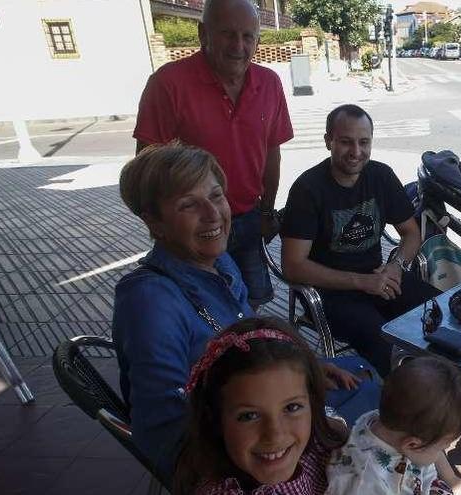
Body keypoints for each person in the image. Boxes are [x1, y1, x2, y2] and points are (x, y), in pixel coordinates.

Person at [113, 143, 379, 483]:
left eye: (216, 196)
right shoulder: (150, 300)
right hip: (243, 449)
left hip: (268, 400)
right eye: (188, 204)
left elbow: (251, 341)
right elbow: (164, 430)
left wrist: (304, 368)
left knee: (365, 375)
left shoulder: (219, 263)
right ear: (155, 221)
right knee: (380, 422)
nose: (213, 215)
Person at [133, 0, 293, 309]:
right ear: (202, 34)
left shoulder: (269, 83)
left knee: (249, 305)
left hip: (247, 220)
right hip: (192, 225)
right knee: (199, 310)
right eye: (227, 34)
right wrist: (163, 228)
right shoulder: (168, 84)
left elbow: (271, 154)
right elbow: (146, 170)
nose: (239, 46)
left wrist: (266, 211)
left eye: (248, 36)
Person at [280, 104, 440, 376]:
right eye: (345, 142)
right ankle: (411, 403)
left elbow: (411, 233)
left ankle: (458, 386)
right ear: (328, 141)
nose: (356, 152)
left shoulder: (380, 176)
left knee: (443, 313)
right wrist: (361, 281)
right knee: (387, 346)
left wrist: (396, 266)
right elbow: (293, 266)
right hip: (329, 293)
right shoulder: (308, 189)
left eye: (363, 142)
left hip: (379, 280)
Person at [174, 317, 348, 495]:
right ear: (215, 419)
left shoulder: (318, 442)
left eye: (292, 407)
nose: (275, 435)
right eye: (249, 416)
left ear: (312, 402)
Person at [326, 357, 461, 495]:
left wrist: (452, 479)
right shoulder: (366, 484)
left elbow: (429, 452)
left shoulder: (385, 421)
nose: (441, 452)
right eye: (441, 448)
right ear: (412, 444)